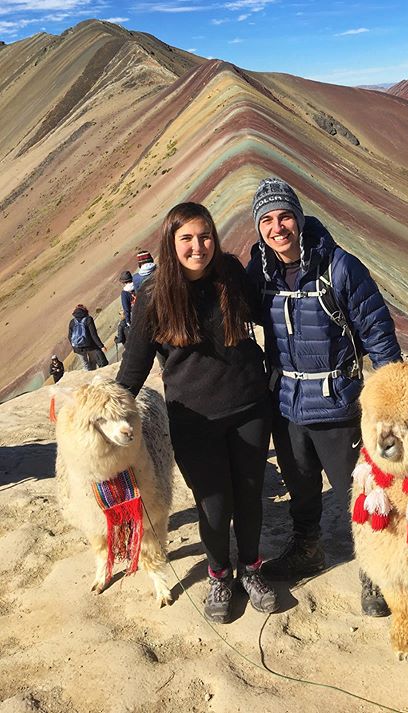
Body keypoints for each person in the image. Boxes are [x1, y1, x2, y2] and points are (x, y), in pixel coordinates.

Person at [246, 177, 402, 616]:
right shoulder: (258, 272)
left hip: (338, 405)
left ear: (299, 217)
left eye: (285, 216)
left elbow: (378, 333)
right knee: (300, 487)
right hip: (287, 404)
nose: (278, 227)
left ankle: (374, 571)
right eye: (268, 220)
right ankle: (307, 549)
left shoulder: (340, 267)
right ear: (259, 228)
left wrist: (389, 401)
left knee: (362, 491)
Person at [116, 202, 277, 624]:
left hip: (249, 408)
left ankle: (252, 569)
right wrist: (107, 415)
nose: (198, 246)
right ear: (171, 243)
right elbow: (132, 370)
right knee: (213, 505)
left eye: (205, 236)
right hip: (194, 421)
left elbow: (269, 313)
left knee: (248, 497)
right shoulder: (152, 296)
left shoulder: (230, 274)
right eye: (186, 238)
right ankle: (220, 574)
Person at [68, 304, 108, 371]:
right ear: (85, 310)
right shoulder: (88, 319)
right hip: (90, 346)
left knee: (85, 364)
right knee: (93, 362)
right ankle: (93, 376)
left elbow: (69, 336)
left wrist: (74, 347)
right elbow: (93, 334)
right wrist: (101, 346)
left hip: (78, 348)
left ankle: (89, 376)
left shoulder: (72, 322)